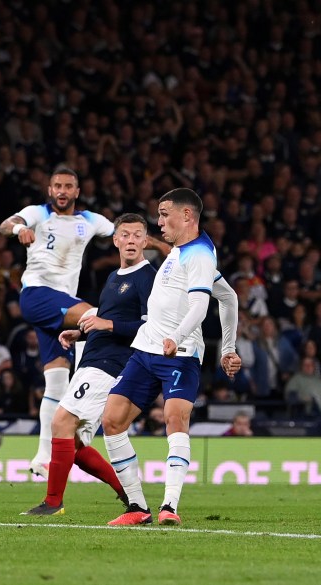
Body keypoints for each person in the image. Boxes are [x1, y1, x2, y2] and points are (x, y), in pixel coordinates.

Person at [101, 188, 242, 527]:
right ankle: (136, 506)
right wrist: (228, 348)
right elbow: (230, 296)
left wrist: (182, 339)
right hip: (146, 351)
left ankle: (169, 506)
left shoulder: (200, 257)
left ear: (187, 216)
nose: (158, 221)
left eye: (164, 214)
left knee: (175, 420)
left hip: (179, 355)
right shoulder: (182, 252)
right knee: (112, 420)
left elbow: (201, 306)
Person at [22, 213, 157, 515]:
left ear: (146, 242)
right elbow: (105, 319)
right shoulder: (114, 277)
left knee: (61, 421)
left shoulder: (148, 277)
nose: (131, 240)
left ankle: (53, 502)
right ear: (116, 240)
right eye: (126, 234)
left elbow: (151, 327)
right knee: (73, 441)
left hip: (111, 363)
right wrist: (80, 330)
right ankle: (127, 494)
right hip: (93, 357)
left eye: (138, 235)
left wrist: (106, 324)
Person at [0, 167, 115, 478]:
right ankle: (88, 422)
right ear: (50, 190)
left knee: (56, 382)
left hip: (59, 310)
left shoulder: (89, 221)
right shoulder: (37, 213)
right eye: (57, 186)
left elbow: (125, 232)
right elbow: (6, 223)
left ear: (77, 191)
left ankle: (41, 459)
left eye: (68, 186)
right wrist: (18, 230)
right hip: (38, 294)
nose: (62, 191)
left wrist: (159, 246)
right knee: (95, 319)